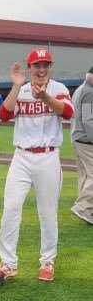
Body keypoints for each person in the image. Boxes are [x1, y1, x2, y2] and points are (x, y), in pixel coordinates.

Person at [0, 48, 74, 285]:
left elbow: (68, 111)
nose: (42, 69)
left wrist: (45, 97)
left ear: (50, 67)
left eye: (46, 64)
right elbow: (5, 115)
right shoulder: (22, 90)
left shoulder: (59, 89)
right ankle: (8, 264)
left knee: (47, 213)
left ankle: (47, 261)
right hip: (22, 157)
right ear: (29, 68)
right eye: (37, 65)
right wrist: (16, 86)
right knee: (11, 208)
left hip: (48, 156)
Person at [70, 66, 93, 225]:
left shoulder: (79, 89)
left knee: (85, 176)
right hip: (86, 139)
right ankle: (83, 207)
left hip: (77, 138)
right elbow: (87, 120)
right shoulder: (90, 92)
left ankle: (87, 212)